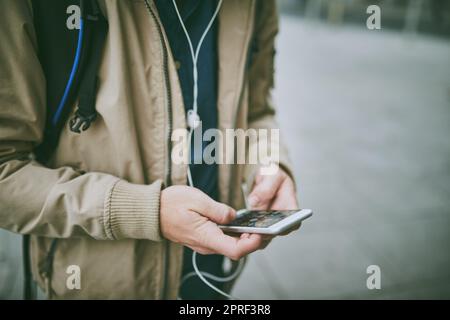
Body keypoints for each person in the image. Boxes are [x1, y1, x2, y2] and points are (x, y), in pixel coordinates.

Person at [0, 0, 299, 299]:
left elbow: (257, 108)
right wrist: (146, 211)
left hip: (213, 277)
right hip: (96, 284)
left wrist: (268, 163)